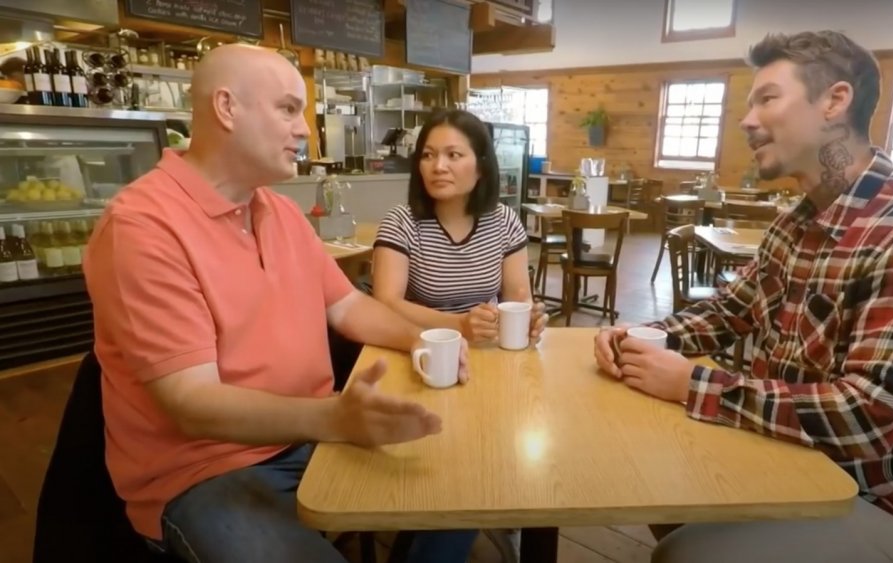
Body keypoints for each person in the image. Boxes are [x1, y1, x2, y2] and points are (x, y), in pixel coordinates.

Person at [593, 30, 893, 563]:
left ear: (835, 101)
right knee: (634, 469)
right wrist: (645, 336)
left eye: (767, 98)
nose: (747, 120)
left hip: (888, 499)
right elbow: (730, 312)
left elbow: (870, 415)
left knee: (684, 554)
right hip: (787, 455)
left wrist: (692, 382)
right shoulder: (796, 221)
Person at [83, 44, 477, 563]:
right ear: (227, 108)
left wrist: (421, 338)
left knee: (470, 486)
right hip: (204, 472)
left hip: (309, 438)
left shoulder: (281, 211)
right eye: (289, 109)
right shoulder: (142, 226)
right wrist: (334, 420)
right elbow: (192, 404)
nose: (305, 131)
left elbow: (347, 308)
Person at [372, 109, 546, 345]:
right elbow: (386, 302)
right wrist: (459, 325)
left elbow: (519, 296)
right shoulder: (401, 223)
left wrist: (528, 317)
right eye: (428, 155)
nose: (439, 166)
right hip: (424, 347)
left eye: (453, 155)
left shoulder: (504, 221)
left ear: (481, 167)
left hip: (488, 347)